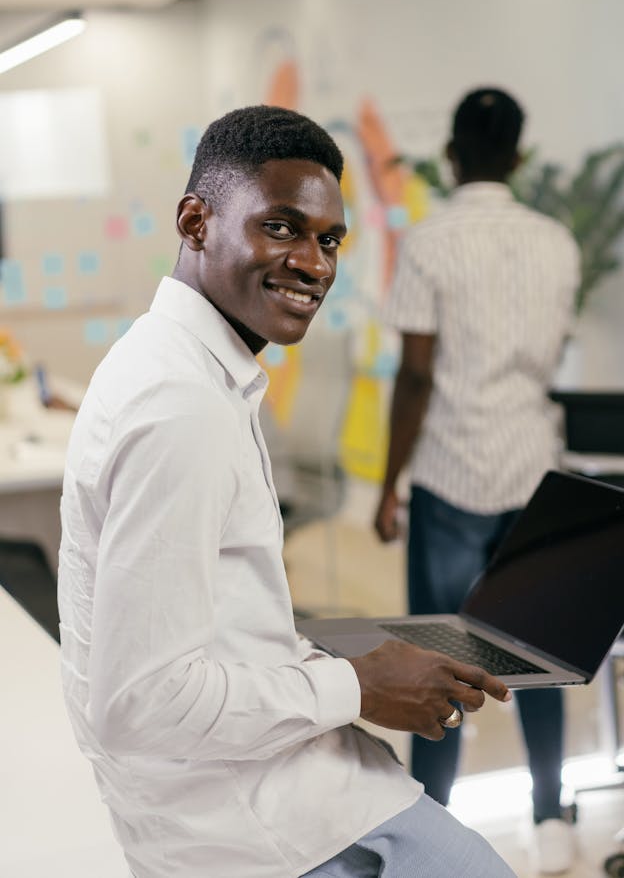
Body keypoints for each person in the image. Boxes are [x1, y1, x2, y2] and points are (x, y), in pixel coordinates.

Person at [57, 104, 517, 878]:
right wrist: (356, 683)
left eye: (328, 239)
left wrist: (321, 657)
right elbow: (140, 706)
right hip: (271, 827)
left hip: (257, 795)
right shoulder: (181, 407)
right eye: (280, 227)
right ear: (196, 221)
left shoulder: (176, 365)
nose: (314, 263)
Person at [373, 88, 581, 875]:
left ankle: (432, 827)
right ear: (519, 159)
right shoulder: (558, 243)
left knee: (441, 659)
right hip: (535, 470)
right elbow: (550, 355)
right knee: (542, 652)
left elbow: (417, 376)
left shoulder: (429, 242)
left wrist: (389, 483)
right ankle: (551, 817)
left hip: (452, 471)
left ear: (453, 156)